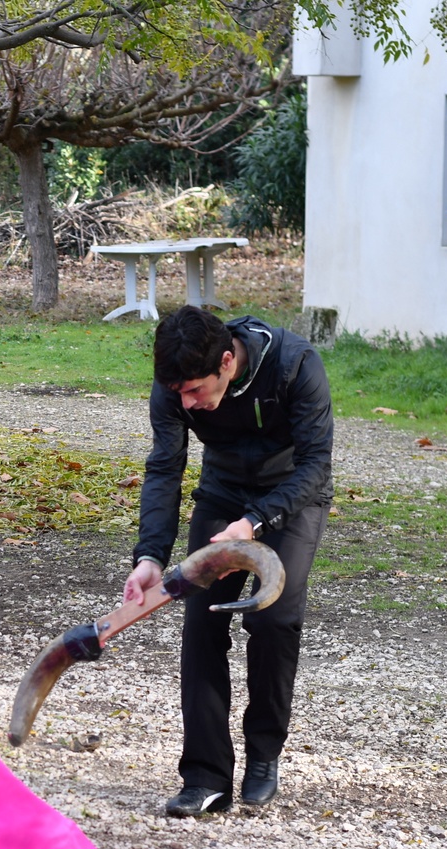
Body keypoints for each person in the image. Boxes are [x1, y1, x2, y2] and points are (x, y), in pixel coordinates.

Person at [123, 305, 333, 817]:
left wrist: (256, 521)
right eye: (180, 395)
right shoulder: (176, 386)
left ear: (226, 362)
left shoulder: (295, 364)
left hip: (291, 498)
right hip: (222, 496)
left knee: (275, 618)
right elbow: (164, 468)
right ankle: (205, 776)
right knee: (201, 625)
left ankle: (264, 754)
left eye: (196, 390)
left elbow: (314, 464)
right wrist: (151, 554)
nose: (189, 405)